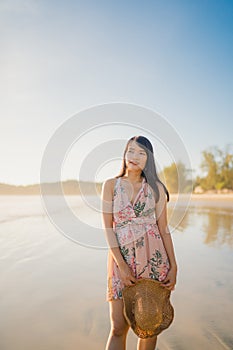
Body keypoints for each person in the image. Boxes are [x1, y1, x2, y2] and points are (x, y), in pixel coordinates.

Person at [101, 135, 177, 350]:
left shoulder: (156, 188)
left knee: (148, 328)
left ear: (148, 159)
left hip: (154, 261)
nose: (134, 157)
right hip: (120, 261)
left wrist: (174, 267)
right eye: (130, 151)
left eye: (141, 153)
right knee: (118, 327)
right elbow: (108, 228)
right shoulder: (110, 186)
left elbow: (163, 229)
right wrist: (122, 266)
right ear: (124, 154)